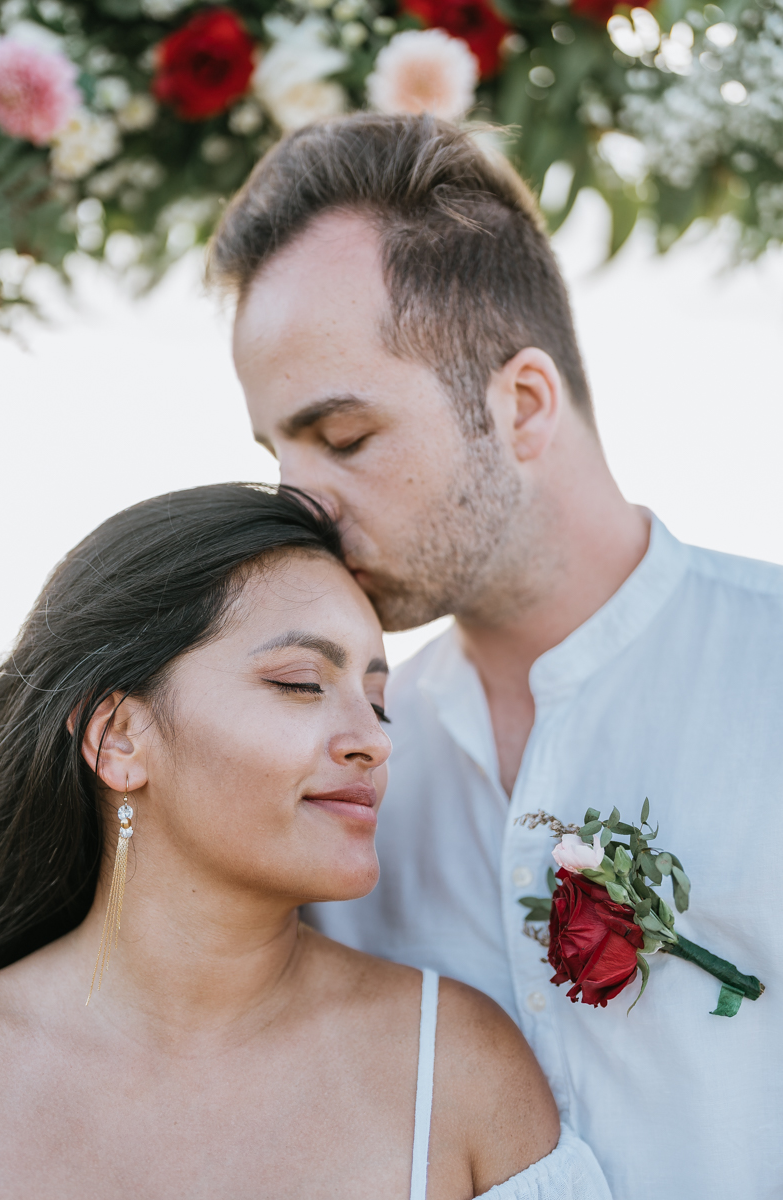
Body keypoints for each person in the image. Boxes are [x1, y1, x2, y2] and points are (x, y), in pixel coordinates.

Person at [210, 114, 783, 1199]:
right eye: (276, 452)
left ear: (520, 406)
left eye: (343, 438)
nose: (298, 503)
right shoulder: (333, 774)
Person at [0, 484, 610, 1200]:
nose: (373, 740)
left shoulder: (458, 1070)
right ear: (119, 740)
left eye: (377, 702)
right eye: (300, 683)